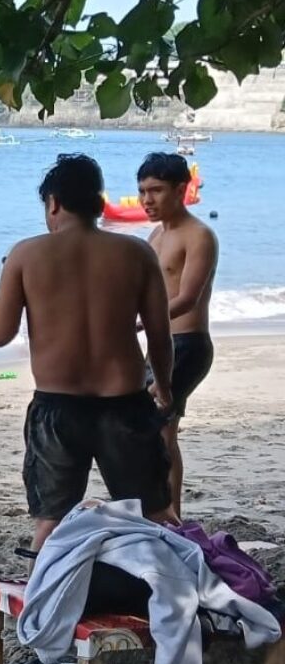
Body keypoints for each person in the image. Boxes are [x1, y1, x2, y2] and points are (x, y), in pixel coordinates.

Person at [0, 155, 177, 551]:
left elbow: (0, 333)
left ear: (53, 203)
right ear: (97, 202)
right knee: (158, 515)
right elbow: (160, 337)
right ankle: (179, 602)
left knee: (50, 525)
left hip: (58, 410)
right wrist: (163, 387)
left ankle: (42, 610)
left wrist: (10, 276)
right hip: (125, 405)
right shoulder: (137, 254)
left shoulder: (25, 254)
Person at [138, 152, 218, 520]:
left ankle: (171, 518)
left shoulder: (199, 235)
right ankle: (162, 511)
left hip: (187, 345)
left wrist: (137, 321)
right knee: (146, 428)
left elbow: (187, 299)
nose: (146, 200)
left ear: (181, 189)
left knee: (162, 431)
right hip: (158, 342)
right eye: (142, 191)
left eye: (155, 190)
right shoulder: (155, 234)